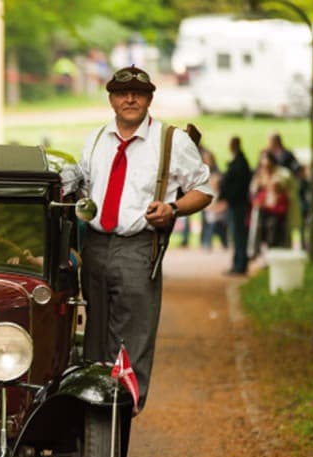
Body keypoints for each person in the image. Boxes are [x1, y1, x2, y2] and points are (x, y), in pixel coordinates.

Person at [78, 64, 212, 418]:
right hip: (94, 243)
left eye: (138, 93)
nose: (130, 99)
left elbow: (204, 190)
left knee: (133, 333)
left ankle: (123, 408)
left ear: (150, 98)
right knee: (92, 331)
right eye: (122, 93)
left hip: (138, 245)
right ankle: (92, 406)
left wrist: (173, 209)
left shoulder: (171, 140)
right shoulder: (94, 139)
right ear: (111, 99)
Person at [219, 136, 253, 274]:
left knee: (239, 234)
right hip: (235, 204)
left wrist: (228, 197)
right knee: (236, 234)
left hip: (238, 204)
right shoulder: (238, 161)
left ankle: (240, 265)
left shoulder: (240, 163)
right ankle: (237, 263)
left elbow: (238, 185)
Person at [251, 151, 292, 250]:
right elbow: (255, 196)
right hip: (264, 214)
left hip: (276, 217)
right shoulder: (260, 181)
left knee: (272, 228)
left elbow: (280, 207)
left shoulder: (279, 180)